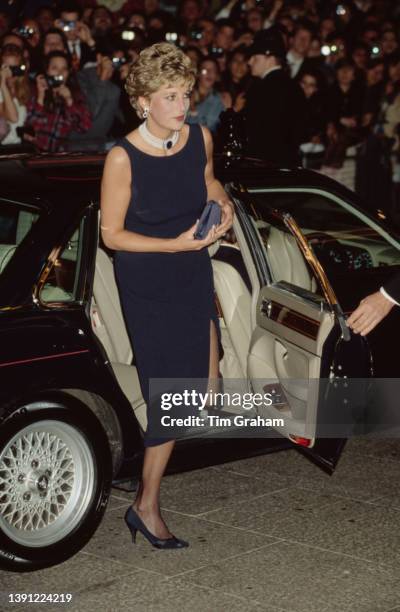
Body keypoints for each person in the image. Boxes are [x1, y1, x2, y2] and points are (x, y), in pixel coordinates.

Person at [100, 42, 234, 549]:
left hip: (191, 271)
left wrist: (224, 208)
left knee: (194, 391)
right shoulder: (122, 157)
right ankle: (146, 506)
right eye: (170, 96)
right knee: (171, 396)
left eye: (185, 94)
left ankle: (144, 502)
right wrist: (173, 244)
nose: (182, 105)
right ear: (143, 102)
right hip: (147, 281)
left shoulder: (199, 137)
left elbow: (209, 183)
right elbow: (112, 235)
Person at [243, 27, 306, 166]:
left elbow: (253, 133)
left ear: (269, 57)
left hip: (262, 167)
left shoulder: (260, 89)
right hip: (289, 165)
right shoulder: (294, 87)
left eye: (254, 57)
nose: (250, 62)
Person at [26, 50, 91, 151]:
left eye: (64, 69)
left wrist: (69, 101)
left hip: (59, 155)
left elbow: (84, 127)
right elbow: (30, 129)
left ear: (69, 72)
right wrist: (41, 96)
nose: (60, 73)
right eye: (55, 68)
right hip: (34, 152)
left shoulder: (76, 95)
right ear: (47, 71)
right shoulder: (35, 91)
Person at [0, 46, 30, 145]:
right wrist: (3, 84)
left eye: (14, 68)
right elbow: (13, 118)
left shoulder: (26, 90)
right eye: (6, 68)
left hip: (21, 146)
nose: (10, 73)